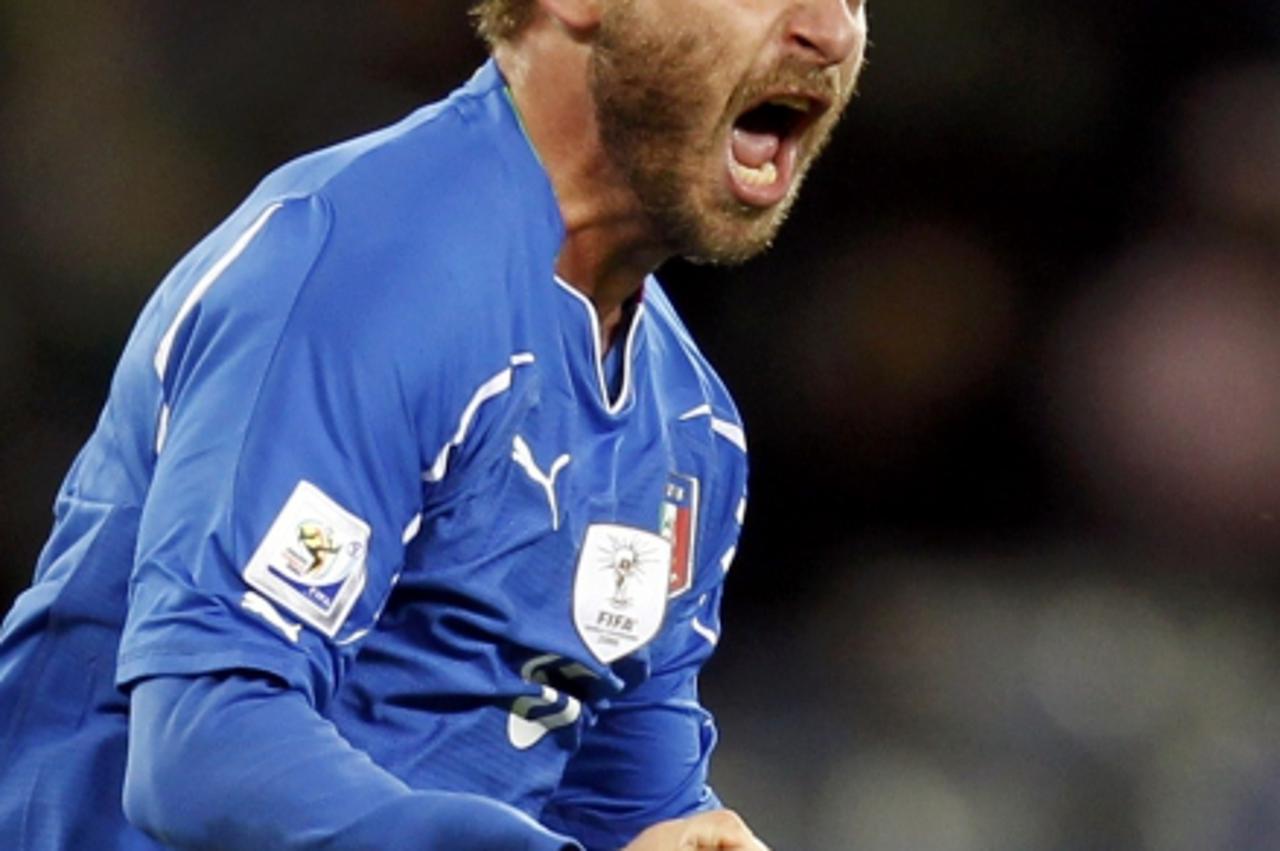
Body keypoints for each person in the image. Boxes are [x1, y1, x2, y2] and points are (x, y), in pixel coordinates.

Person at [0, 0, 867, 847]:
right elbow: (201, 750)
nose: (830, 31)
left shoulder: (691, 424)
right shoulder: (359, 274)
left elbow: (627, 810)